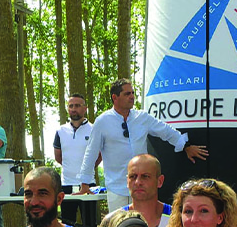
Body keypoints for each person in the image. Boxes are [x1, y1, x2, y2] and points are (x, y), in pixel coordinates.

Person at [77, 79, 208, 212]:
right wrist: (85, 184)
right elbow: (91, 152)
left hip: (143, 186)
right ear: (115, 97)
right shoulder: (102, 121)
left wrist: (186, 146)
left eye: (133, 93)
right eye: (127, 94)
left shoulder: (142, 117)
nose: (132, 97)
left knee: (144, 225)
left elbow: (166, 131)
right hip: (117, 188)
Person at [54, 93, 99, 227]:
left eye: (78, 106)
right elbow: (58, 156)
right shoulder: (60, 131)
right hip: (66, 184)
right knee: (67, 225)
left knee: (90, 225)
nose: (74, 109)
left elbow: (99, 156)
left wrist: (86, 171)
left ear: (85, 108)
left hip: (88, 184)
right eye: (71, 106)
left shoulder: (94, 129)